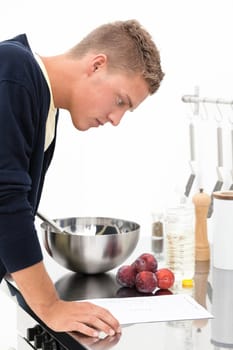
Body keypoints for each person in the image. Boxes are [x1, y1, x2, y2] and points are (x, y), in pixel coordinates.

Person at [0, 19, 164, 338]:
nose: (116, 120)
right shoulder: (14, 70)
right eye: (120, 101)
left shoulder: (44, 103)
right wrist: (50, 306)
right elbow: (5, 199)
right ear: (97, 65)